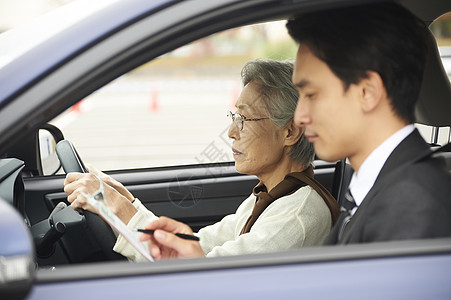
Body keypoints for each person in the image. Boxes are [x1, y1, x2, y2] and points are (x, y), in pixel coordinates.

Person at [64, 59, 340, 260]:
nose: (232, 132)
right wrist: (126, 204)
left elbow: (206, 275)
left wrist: (114, 207)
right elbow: (198, 245)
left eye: (244, 119)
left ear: (290, 131)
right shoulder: (271, 196)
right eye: (234, 117)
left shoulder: (297, 216)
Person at [284, 1, 451, 245]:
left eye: (311, 95)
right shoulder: (380, 184)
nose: (299, 117)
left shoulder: (414, 203)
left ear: (367, 92)